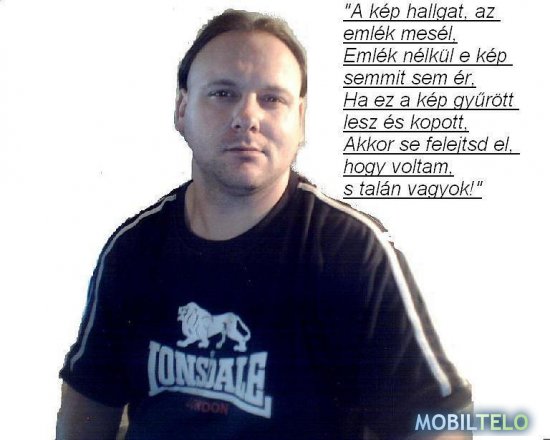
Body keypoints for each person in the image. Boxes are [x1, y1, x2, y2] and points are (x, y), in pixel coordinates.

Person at [57, 9, 472, 440]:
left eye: (272, 99)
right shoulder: (133, 250)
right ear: (182, 109)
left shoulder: (354, 252)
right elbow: (88, 398)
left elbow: (437, 418)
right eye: (222, 93)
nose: (247, 117)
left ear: (301, 120)